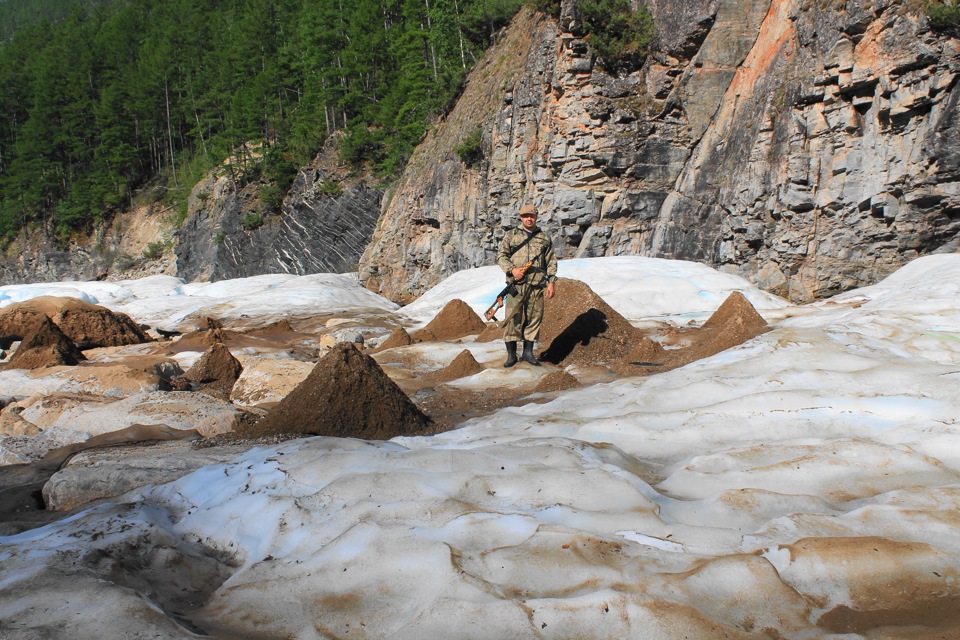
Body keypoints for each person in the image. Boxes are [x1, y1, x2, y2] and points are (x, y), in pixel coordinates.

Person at [497, 203, 557, 367]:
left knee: (534, 319)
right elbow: (501, 257)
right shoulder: (512, 236)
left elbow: (551, 261)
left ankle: (528, 353)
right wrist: (512, 269)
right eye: (525, 216)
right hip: (517, 285)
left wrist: (551, 282)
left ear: (536, 217)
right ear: (521, 217)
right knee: (512, 319)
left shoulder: (544, 238)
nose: (529, 218)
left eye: (532, 216)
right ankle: (511, 355)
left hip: (537, 286)